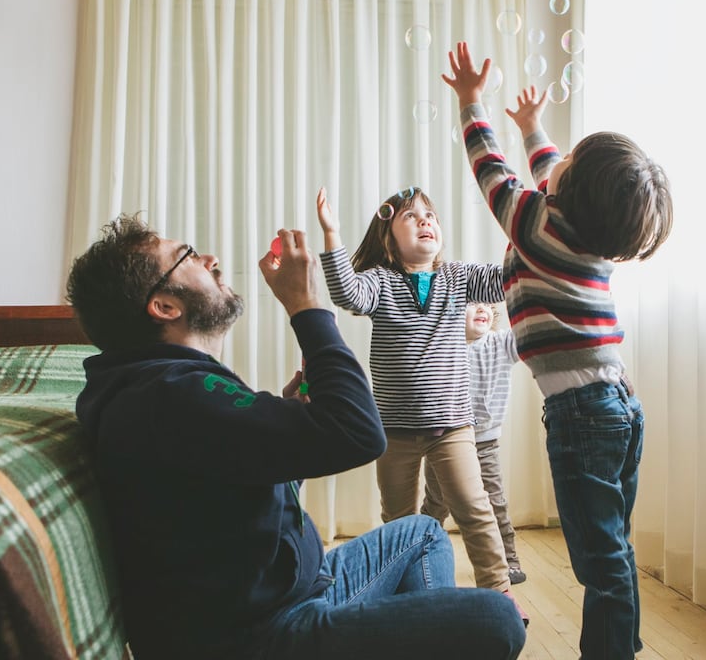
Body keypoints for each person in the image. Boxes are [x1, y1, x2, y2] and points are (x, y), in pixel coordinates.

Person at [65, 214, 526, 659]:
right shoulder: (175, 395)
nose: (210, 260)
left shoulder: (164, 390)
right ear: (165, 306)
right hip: (265, 637)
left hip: (294, 592)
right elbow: (361, 433)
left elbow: (240, 487)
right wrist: (305, 305)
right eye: (187, 256)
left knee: (423, 533)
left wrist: (290, 424)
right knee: (498, 620)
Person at [442, 42, 674, 660]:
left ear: (568, 191)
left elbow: (491, 170)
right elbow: (554, 171)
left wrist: (471, 102)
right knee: (614, 547)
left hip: (584, 415)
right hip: (618, 405)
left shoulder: (535, 222)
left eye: (568, 159)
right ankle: (622, 643)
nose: (555, 159)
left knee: (600, 560)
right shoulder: (584, 232)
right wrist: (532, 127)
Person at [314, 187, 527, 619]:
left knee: (475, 508)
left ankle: (499, 592)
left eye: (430, 214)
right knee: (398, 520)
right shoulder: (381, 281)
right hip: (394, 431)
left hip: (453, 427)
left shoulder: (457, 278)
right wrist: (332, 234)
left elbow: (507, 278)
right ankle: (403, 597)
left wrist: (525, 232)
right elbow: (347, 294)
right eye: (410, 216)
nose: (425, 220)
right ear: (389, 238)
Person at [421, 302, 527, 585]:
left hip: (485, 442)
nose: (482, 309)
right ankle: (417, 556)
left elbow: (526, 332)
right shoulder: (444, 345)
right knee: (436, 502)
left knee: (495, 501)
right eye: (472, 304)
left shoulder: (501, 343)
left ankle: (509, 560)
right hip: (445, 441)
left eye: (486, 305)